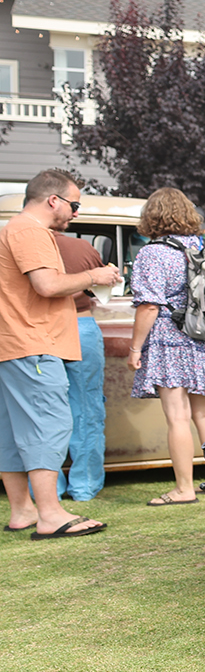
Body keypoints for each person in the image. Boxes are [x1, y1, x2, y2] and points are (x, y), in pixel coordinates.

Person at [0, 169, 121, 538]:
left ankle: (23, 510)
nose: (75, 213)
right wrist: (94, 277)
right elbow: (47, 284)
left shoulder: (12, 229)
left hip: (14, 345)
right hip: (35, 344)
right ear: (53, 200)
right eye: (74, 205)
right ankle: (50, 514)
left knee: (12, 432)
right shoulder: (31, 231)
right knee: (50, 425)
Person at [128, 188, 205, 506]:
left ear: (152, 216)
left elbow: (149, 306)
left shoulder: (152, 253)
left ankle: (184, 489)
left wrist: (135, 348)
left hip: (171, 340)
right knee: (204, 413)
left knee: (177, 417)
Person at [54, 231, 108, 503]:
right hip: (81, 323)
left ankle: (47, 488)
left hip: (39, 328)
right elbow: (102, 288)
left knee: (42, 411)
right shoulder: (82, 247)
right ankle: (85, 485)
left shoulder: (15, 243)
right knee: (88, 408)